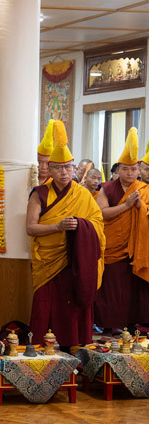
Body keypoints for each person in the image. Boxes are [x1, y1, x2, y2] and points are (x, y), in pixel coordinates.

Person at [27, 120, 105, 346]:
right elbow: (30, 228)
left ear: (74, 169)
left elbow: (97, 222)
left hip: (75, 261)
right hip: (48, 263)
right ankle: (41, 352)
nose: (64, 172)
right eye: (59, 168)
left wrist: (82, 227)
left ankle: (75, 349)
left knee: (72, 309)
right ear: (49, 170)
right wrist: (58, 227)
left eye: (68, 167)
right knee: (45, 307)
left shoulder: (81, 194)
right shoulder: (39, 194)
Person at [94, 128, 149, 331]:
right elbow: (101, 213)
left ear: (139, 171)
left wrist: (140, 207)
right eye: (125, 169)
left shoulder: (143, 189)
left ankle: (130, 324)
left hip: (136, 245)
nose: (130, 173)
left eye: (134, 169)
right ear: (118, 169)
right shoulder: (107, 188)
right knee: (111, 287)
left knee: (132, 288)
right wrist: (126, 206)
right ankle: (108, 324)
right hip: (112, 246)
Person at [37, 120, 54, 186]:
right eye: (39, 162)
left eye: (47, 163)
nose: (43, 167)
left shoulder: (56, 183)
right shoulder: (28, 181)